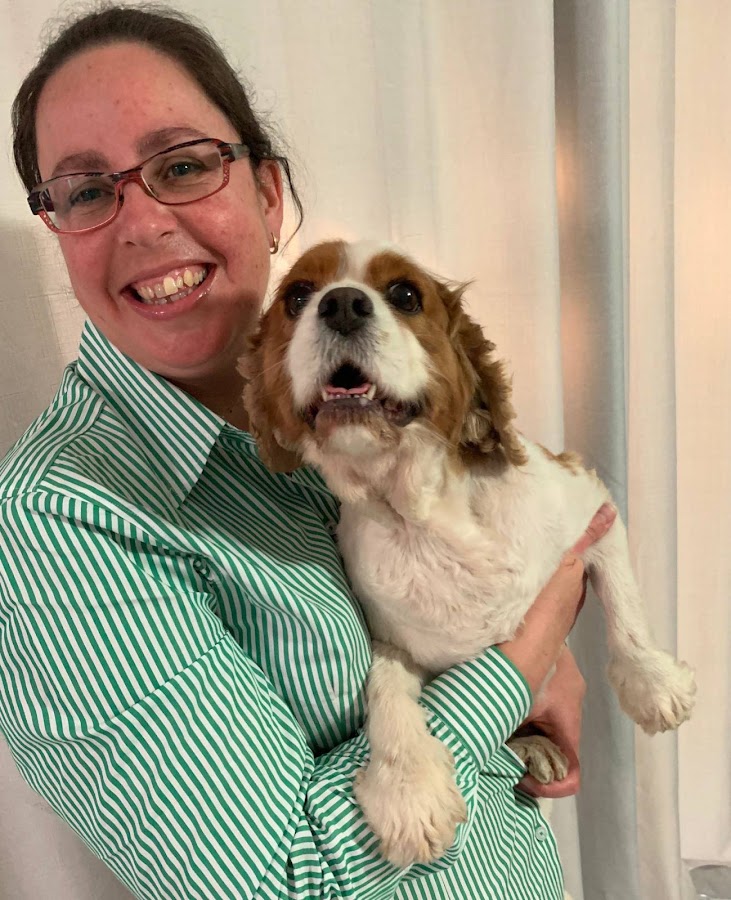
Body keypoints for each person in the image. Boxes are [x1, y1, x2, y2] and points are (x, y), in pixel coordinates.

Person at [0, 5, 615, 899]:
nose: (142, 222)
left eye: (183, 165)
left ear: (267, 193)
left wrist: (545, 660)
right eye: (88, 191)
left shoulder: (347, 404)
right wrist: (515, 668)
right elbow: (281, 880)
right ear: (57, 225)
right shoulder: (56, 524)